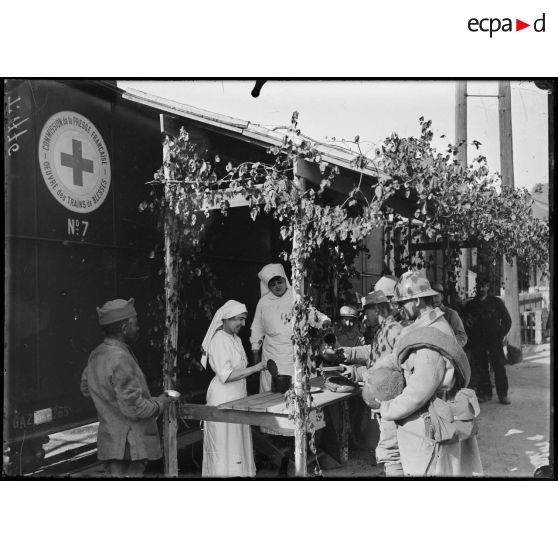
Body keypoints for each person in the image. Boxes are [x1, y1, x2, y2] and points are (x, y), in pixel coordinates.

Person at [365, 272, 483, 477]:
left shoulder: (434, 335)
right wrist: (372, 373)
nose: (400, 308)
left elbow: (420, 390)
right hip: (421, 420)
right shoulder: (421, 327)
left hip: (429, 426)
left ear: (418, 300)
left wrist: (387, 409)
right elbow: (397, 355)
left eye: (404, 302)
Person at [80, 298, 171, 478]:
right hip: (130, 447)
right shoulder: (120, 357)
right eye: (134, 324)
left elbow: (85, 388)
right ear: (123, 327)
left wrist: (108, 404)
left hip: (111, 443)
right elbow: (134, 408)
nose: (138, 328)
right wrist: (161, 402)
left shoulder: (97, 353)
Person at [327, 291, 404, 476]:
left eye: (366, 311)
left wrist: (356, 372)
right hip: (382, 396)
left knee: (391, 450)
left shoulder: (393, 331)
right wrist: (346, 354)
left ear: (377, 309)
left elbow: (386, 369)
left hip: (389, 398)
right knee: (386, 446)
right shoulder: (384, 329)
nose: (363, 316)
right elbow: (373, 351)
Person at [201, 300, 267, 477]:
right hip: (223, 398)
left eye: (244, 320)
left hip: (237, 396)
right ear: (227, 319)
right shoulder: (219, 340)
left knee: (237, 442)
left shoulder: (235, 339)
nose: (243, 324)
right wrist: (256, 368)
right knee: (225, 445)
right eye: (239, 319)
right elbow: (227, 375)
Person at [463, 276, 512, 404]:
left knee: (499, 367)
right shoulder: (470, 305)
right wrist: (470, 334)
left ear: (488, 287)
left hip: (494, 341)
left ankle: (503, 395)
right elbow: (465, 323)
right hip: (478, 341)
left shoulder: (497, 303)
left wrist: (499, 334)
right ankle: (486, 393)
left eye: (484, 286)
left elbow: (507, 321)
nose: (481, 288)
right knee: (482, 368)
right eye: (479, 286)